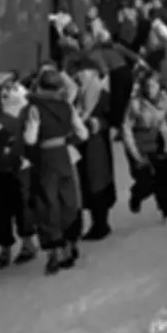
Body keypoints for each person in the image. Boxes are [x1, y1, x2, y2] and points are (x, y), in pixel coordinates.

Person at [24, 68, 89, 274]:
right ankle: (71, 245)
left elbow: (30, 139)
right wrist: (67, 140)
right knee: (69, 201)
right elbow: (83, 133)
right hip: (64, 156)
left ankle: (54, 253)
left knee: (48, 203)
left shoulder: (35, 109)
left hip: (46, 159)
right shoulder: (67, 106)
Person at [0, 78, 38, 266]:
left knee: (23, 206)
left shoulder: (27, 112)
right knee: (2, 210)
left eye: (10, 89)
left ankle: (27, 243)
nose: (5, 94)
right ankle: (5, 247)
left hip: (22, 167)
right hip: (1, 169)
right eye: (2, 91)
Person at [121, 71, 167, 220]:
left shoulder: (166, 101)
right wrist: (135, 154)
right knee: (146, 180)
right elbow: (126, 128)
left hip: (157, 141)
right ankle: (137, 195)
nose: (150, 89)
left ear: (159, 86)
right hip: (138, 142)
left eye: (153, 86)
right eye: (147, 86)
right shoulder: (136, 103)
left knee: (164, 177)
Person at [69, 54, 117, 240]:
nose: (78, 76)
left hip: (97, 146)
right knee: (86, 183)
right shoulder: (77, 94)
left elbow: (112, 117)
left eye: (82, 72)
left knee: (98, 181)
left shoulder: (101, 94)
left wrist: (99, 123)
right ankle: (95, 223)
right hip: (83, 144)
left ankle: (101, 223)